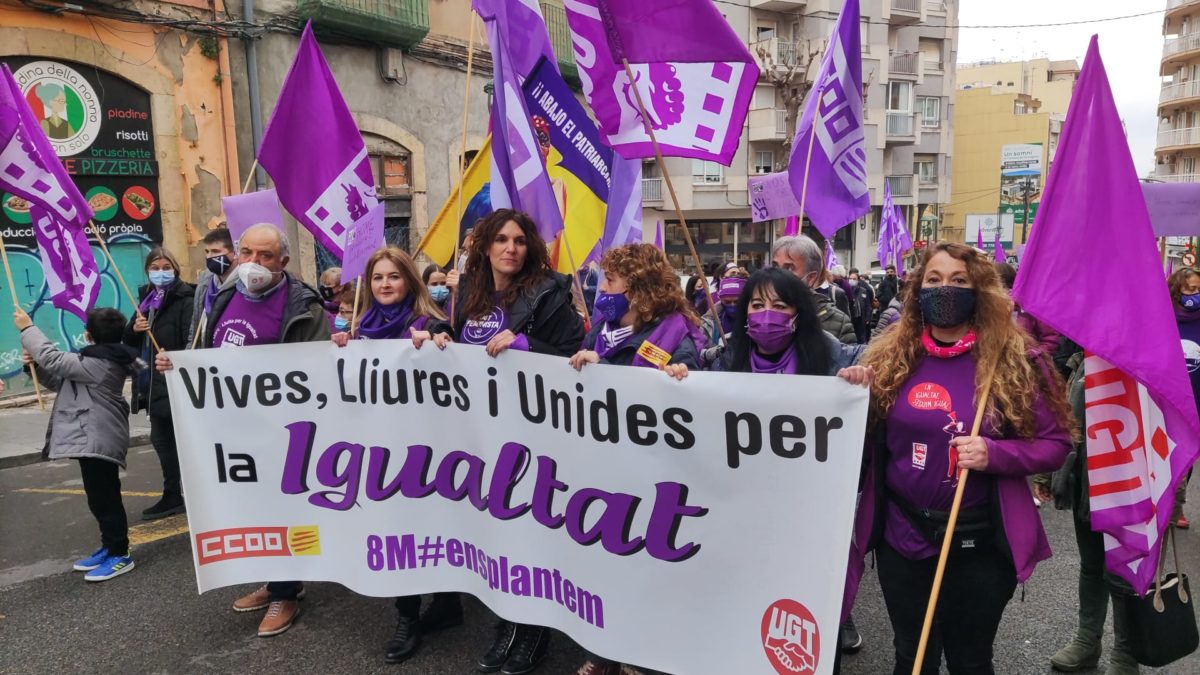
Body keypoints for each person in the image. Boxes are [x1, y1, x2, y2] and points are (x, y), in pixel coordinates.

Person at [856, 242, 1074, 674]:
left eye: (959, 281)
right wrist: (853, 395)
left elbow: (1057, 443)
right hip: (903, 539)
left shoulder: (1017, 360)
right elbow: (861, 442)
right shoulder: (890, 358)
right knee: (911, 656)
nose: (945, 289)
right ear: (918, 290)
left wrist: (996, 454)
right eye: (934, 280)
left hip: (979, 546)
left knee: (970, 659)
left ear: (981, 292)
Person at [155, 223, 331, 638]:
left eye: (265, 256)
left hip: (281, 433)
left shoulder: (303, 305)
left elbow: (319, 370)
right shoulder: (224, 295)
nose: (253, 263)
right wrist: (178, 366)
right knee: (253, 509)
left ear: (283, 262)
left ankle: (287, 592)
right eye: (247, 252)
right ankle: (274, 581)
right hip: (232, 429)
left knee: (283, 509)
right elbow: (205, 350)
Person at [439, 208, 585, 674]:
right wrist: (440, 334)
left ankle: (533, 633)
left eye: (519, 241)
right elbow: (459, 342)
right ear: (485, 246)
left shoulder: (547, 293)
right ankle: (507, 622)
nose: (510, 248)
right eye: (501, 239)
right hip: (481, 430)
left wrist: (529, 350)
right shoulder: (471, 293)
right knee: (497, 531)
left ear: (530, 248)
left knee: (529, 530)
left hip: (532, 434)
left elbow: (571, 357)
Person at [568, 243, 700, 675]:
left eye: (610, 280)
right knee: (606, 563)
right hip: (605, 469)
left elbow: (696, 397)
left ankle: (642, 656)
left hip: (654, 474)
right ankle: (606, 651)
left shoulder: (678, 333)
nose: (601, 288)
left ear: (638, 288)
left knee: (647, 567)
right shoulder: (599, 331)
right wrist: (589, 367)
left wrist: (679, 379)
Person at [17, 306, 143, 581]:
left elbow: (54, 359)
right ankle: (109, 546)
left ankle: (120, 554)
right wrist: (34, 367)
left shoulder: (100, 362)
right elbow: (60, 381)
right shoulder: (93, 361)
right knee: (99, 498)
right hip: (92, 437)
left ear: (88, 335)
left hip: (99, 437)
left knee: (106, 499)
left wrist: (28, 328)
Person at [1046, 344, 1139, 674]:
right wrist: (1050, 473)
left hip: (1130, 481)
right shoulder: (1082, 359)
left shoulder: (1145, 355)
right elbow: (1063, 417)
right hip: (1086, 479)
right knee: (1092, 564)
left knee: (1125, 570)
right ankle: (1088, 639)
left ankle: (1126, 654)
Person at [124, 247, 195, 520]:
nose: (161, 272)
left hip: (174, 382)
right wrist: (134, 330)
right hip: (151, 385)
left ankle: (189, 491)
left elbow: (191, 339)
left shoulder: (185, 298)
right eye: (155, 267)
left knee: (181, 442)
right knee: (162, 441)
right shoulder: (144, 300)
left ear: (175, 269)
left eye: (166, 266)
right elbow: (128, 341)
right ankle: (172, 493)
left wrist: (174, 358)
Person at [770, 235, 857, 344]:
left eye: (789, 268)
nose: (777, 274)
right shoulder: (756, 312)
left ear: (810, 277)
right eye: (775, 266)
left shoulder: (838, 323)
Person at [1169, 267, 1200, 530]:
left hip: (1196, 398)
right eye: (1189, 289)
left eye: (1198, 289)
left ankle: (1177, 503)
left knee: (1188, 453)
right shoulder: (1164, 317)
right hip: (1167, 396)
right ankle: (1163, 500)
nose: (1194, 295)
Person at [996, 263, 1060, 356]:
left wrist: (1031, 356)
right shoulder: (987, 308)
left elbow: (1050, 339)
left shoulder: (1030, 305)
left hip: (1028, 367)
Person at [189, 228, 237, 347]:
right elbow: (195, 328)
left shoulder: (244, 286)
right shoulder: (205, 283)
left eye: (215, 251)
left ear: (235, 253)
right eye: (207, 251)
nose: (209, 257)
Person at [848, 268, 876, 345]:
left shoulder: (863, 291)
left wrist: (868, 317)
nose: (852, 280)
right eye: (850, 279)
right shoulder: (847, 291)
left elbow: (868, 305)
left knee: (861, 338)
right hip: (851, 318)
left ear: (858, 280)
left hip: (861, 318)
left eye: (854, 279)